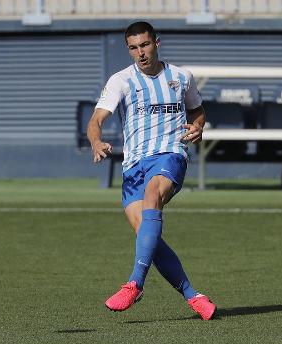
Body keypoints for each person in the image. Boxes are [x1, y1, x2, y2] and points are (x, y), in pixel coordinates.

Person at [87, 21, 215, 320]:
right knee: (149, 237)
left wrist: (197, 127)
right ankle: (193, 296)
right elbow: (95, 120)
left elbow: (197, 110)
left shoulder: (181, 77)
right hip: (133, 165)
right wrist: (96, 142)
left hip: (170, 154)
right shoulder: (120, 80)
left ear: (156, 42)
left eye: (145, 45)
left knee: (153, 193)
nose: (140, 53)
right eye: (133, 48)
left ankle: (134, 283)